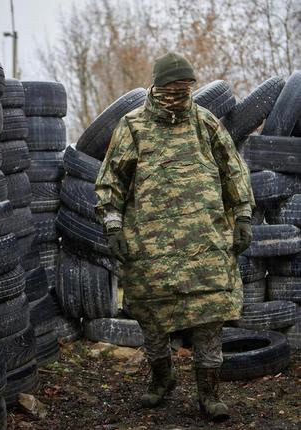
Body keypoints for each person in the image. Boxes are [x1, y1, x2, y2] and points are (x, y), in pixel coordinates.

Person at [94, 52, 255, 421]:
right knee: (153, 318)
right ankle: (161, 382)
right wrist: (114, 225)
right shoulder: (133, 126)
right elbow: (110, 181)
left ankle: (209, 395)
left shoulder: (206, 123)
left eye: (186, 87)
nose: (179, 94)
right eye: (173, 87)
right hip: (151, 248)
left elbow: (234, 169)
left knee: (209, 316)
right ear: (157, 86)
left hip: (205, 245)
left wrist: (243, 215)